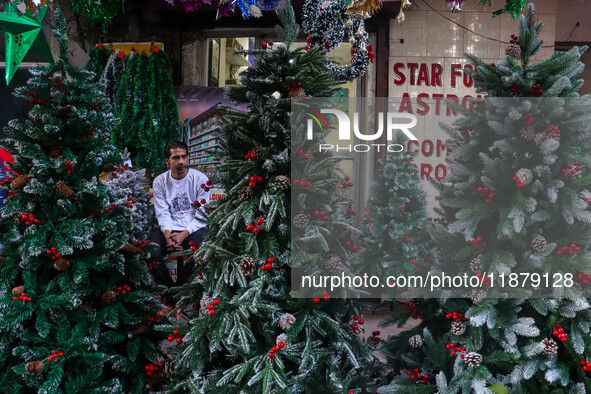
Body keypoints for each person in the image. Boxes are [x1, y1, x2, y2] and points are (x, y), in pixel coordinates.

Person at [149, 140, 209, 304]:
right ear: (167, 161)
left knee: (194, 252)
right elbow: (162, 212)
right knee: (150, 253)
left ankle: (181, 290)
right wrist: (168, 235)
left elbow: (202, 213)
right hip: (168, 226)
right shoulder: (160, 181)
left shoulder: (200, 179)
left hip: (193, 226)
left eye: (184, 157)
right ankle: (168, 289)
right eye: (176, 158)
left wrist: (184, 234)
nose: (181, 162)